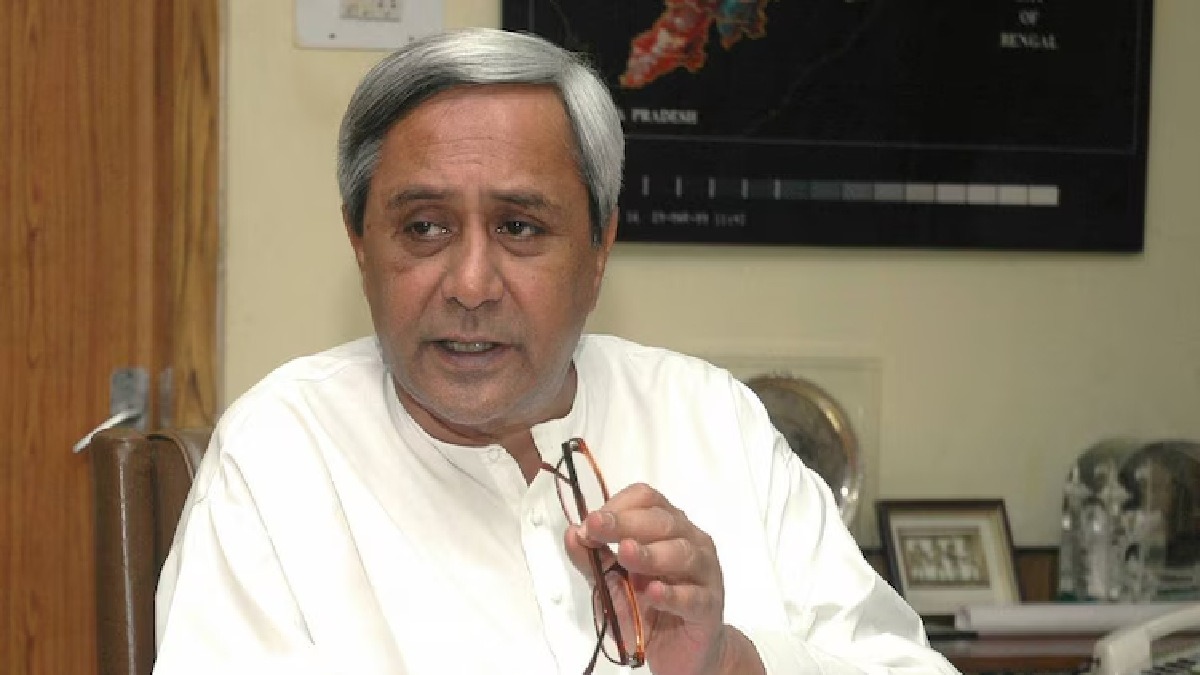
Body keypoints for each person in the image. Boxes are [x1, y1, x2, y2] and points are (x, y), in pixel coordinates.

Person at [153, 27, 958, 675]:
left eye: (520, 226)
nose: (471, 284)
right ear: (361, 244)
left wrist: (731, 663)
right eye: (424, 227)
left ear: (599, 247)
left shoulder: (715, 421)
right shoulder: (280, 453)